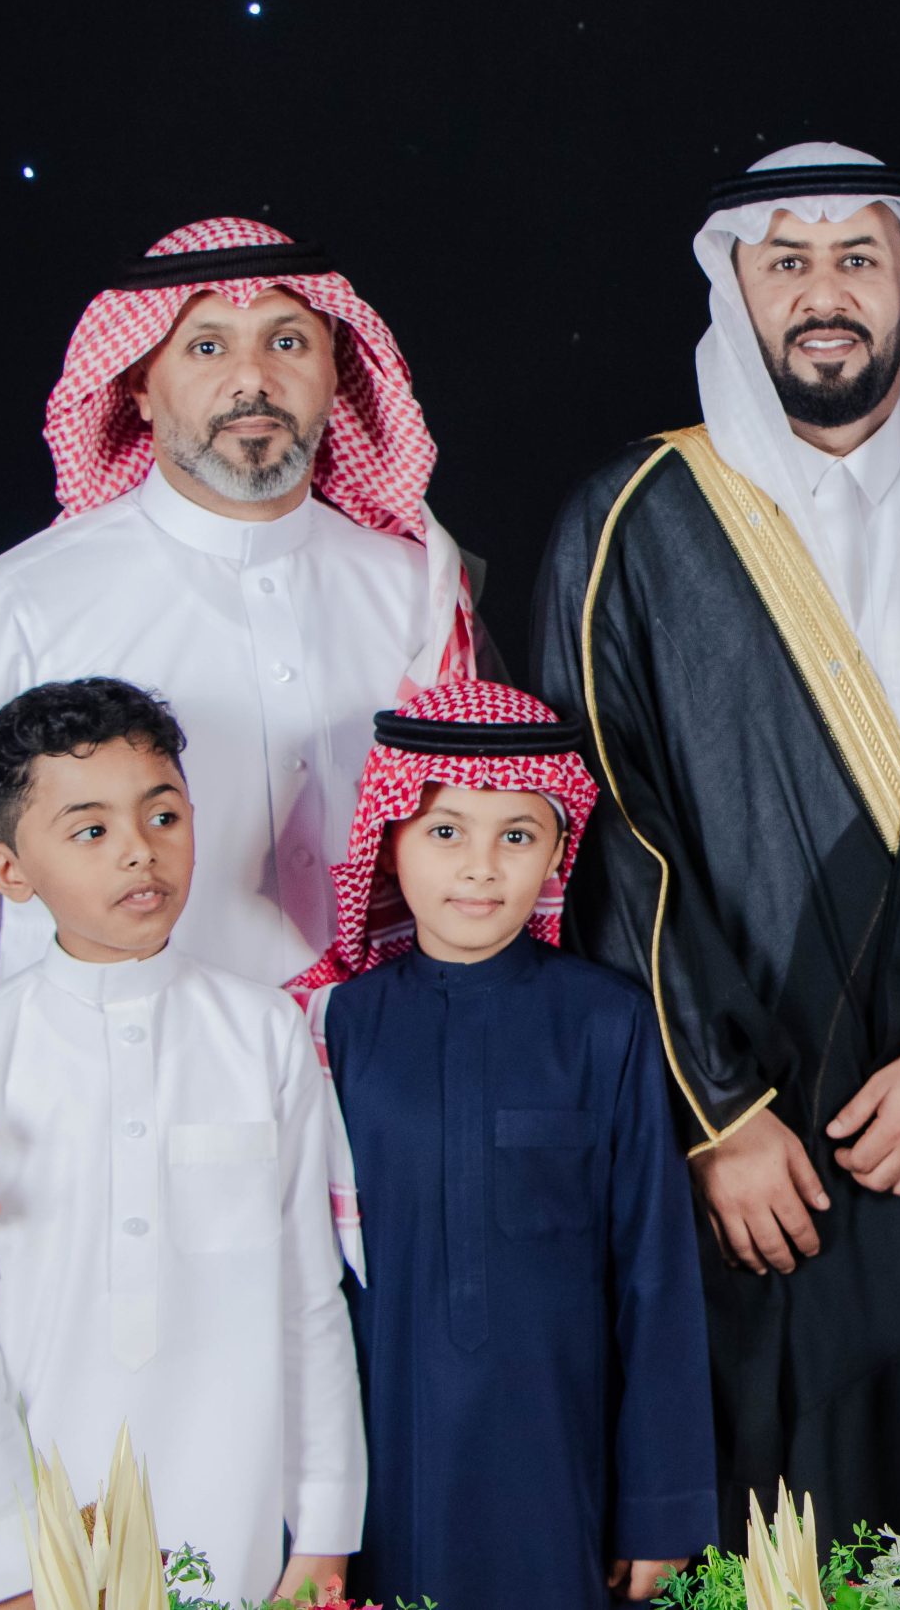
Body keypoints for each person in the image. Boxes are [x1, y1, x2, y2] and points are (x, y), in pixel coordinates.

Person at [531, 143, 900, 1532]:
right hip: (750, 1147)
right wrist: (719, 1116)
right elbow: (604, 836)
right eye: (786, 259)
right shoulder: (631, 519)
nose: (823, 290)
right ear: (737, 287)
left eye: (859, 256)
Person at [0, 217, 480, 1229]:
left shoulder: (416, 590)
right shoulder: (20, 605)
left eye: (287, 340)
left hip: (393, 1126)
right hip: (108, 1143)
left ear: (339, 372)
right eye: (205, 346)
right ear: (138, 385)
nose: (251, 379)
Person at [0, 679, 362, 1610]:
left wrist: (324, 1530)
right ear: (8, 870)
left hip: (236, 1516)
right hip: (36, 1540)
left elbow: (308, 1291)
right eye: (90, 829)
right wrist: (0, 1573)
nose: (140, 849)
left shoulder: (264, 1033)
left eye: (163, 815)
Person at [286, 680, 714, 1607]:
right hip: (379, 1453)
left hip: (556, 1455)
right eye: (446, 831)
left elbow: (655, 1276)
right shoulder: (332, 1029)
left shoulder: (605, 1022)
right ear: (389, 839)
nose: (480, 868)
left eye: (517, 836)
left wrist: (661, 1508)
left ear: (559, 850)